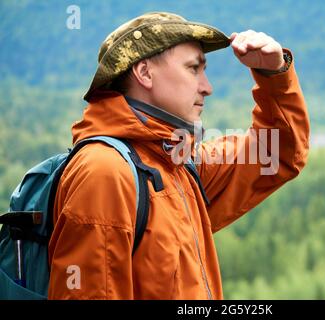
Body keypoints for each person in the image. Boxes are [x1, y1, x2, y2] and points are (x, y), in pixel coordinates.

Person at [48, 11, 310, 299]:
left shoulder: (181, 166)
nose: (207, 87)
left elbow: (277, 153)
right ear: (145, 73)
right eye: (193, 69)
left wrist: (274, 74)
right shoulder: (105, 172)